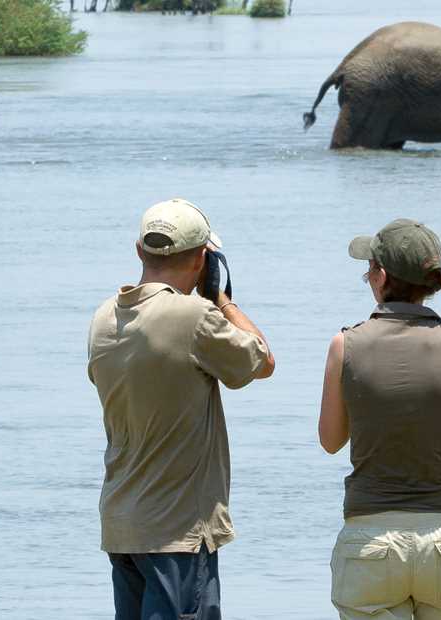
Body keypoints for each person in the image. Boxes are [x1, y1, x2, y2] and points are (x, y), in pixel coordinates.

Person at [86, 198, 277, 620]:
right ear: (205, 258)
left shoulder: (103, 318)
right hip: (178, 532)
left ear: (140, 250)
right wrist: (221, 299)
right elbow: (262, 361)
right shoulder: (195, 317)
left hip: (123, 526)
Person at [317, 218, 441, 620]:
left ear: (381, 277)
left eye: (369, 269)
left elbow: (330, 440)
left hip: (371, 541)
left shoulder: (343, 345)